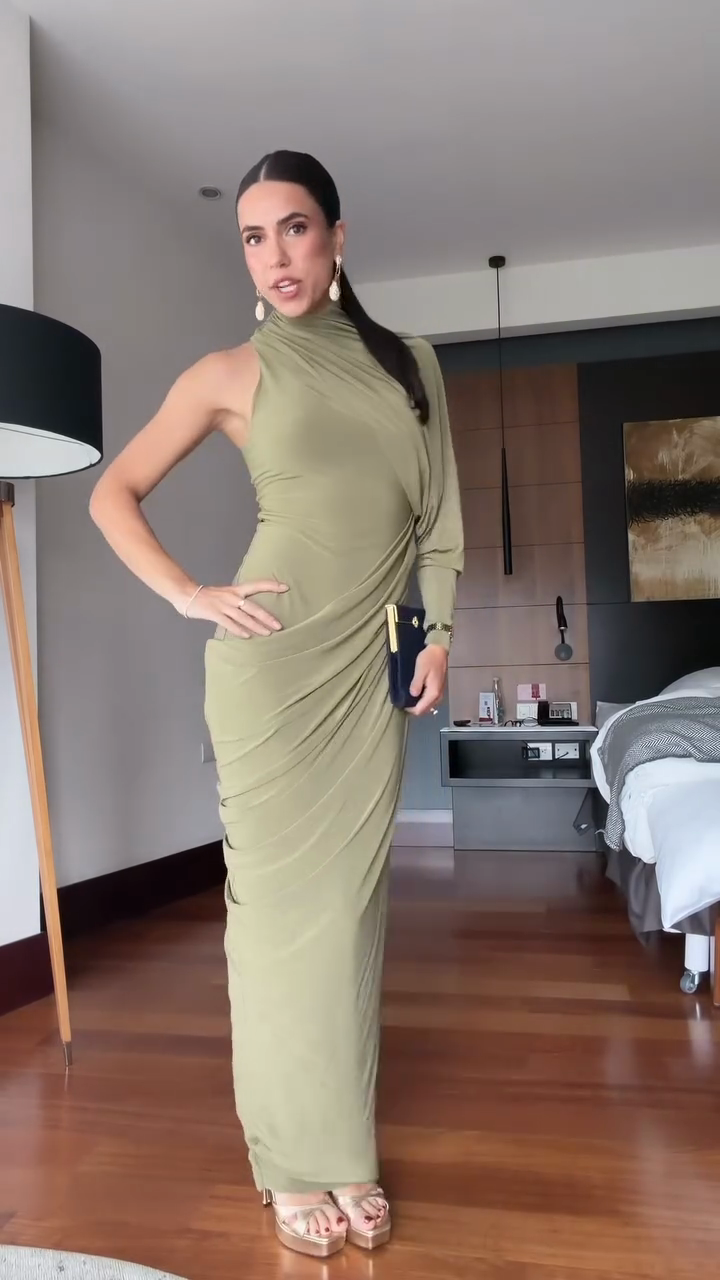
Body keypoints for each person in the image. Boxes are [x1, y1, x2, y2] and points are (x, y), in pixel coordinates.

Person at [89, 150, 464, 1258]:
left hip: (364, 670)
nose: (275, 254)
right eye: (253, 237)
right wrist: (190, 594)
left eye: (294, 228)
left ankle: (340, 1140)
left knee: (348, 917)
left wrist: (440, 632)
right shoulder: (227, 373)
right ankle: (294, 1159)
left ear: (337, 236)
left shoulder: (413, 365)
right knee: (273, 924)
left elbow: (437, 521)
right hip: (269, 672)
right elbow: (114, 492)